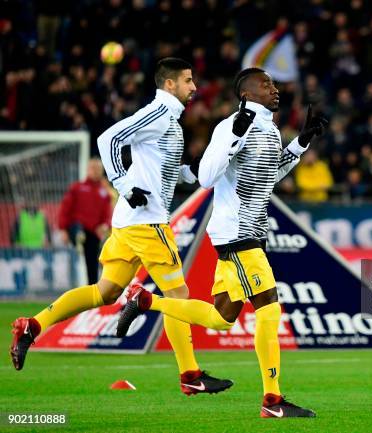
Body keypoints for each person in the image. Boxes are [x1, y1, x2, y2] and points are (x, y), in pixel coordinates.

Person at [10, 58, 233, 396]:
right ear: (170, 84)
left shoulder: (170, 121)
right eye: (188, 81)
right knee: (178, 297)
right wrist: (124, 185)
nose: (194, 87)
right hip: (148, 224)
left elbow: (165, 171)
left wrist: (201, 173)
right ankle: (190, 375)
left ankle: (32, 325)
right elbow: (109, 139)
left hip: (130, 224)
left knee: (105, 292)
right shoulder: (159, 114)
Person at [116, 67, 328, 418]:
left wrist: (302, 140)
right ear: (247, 93)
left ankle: (147, 301)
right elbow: (206, 177)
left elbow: (269, 175)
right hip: (238, 232)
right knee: (269, 309)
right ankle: (273, 401)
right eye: (266, 84)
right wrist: (236, 134)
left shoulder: (270, 129)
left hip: (249, 231)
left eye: (274, 84)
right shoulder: (231, 125)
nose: (274, 89)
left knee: (221, 317)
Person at [58, 157, 113, 284]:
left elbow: (107, 214)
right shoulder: (77, 188)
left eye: (98, 169)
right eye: (93, 168)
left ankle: (92, 292)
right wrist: (63, 230)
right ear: (87, 170)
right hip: (76, 227)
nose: (96, 171)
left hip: (93, 232)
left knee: (92, 263)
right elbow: (65, 209)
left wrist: (105, 225)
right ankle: (78, 237)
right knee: (77, 227)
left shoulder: (104, 192)